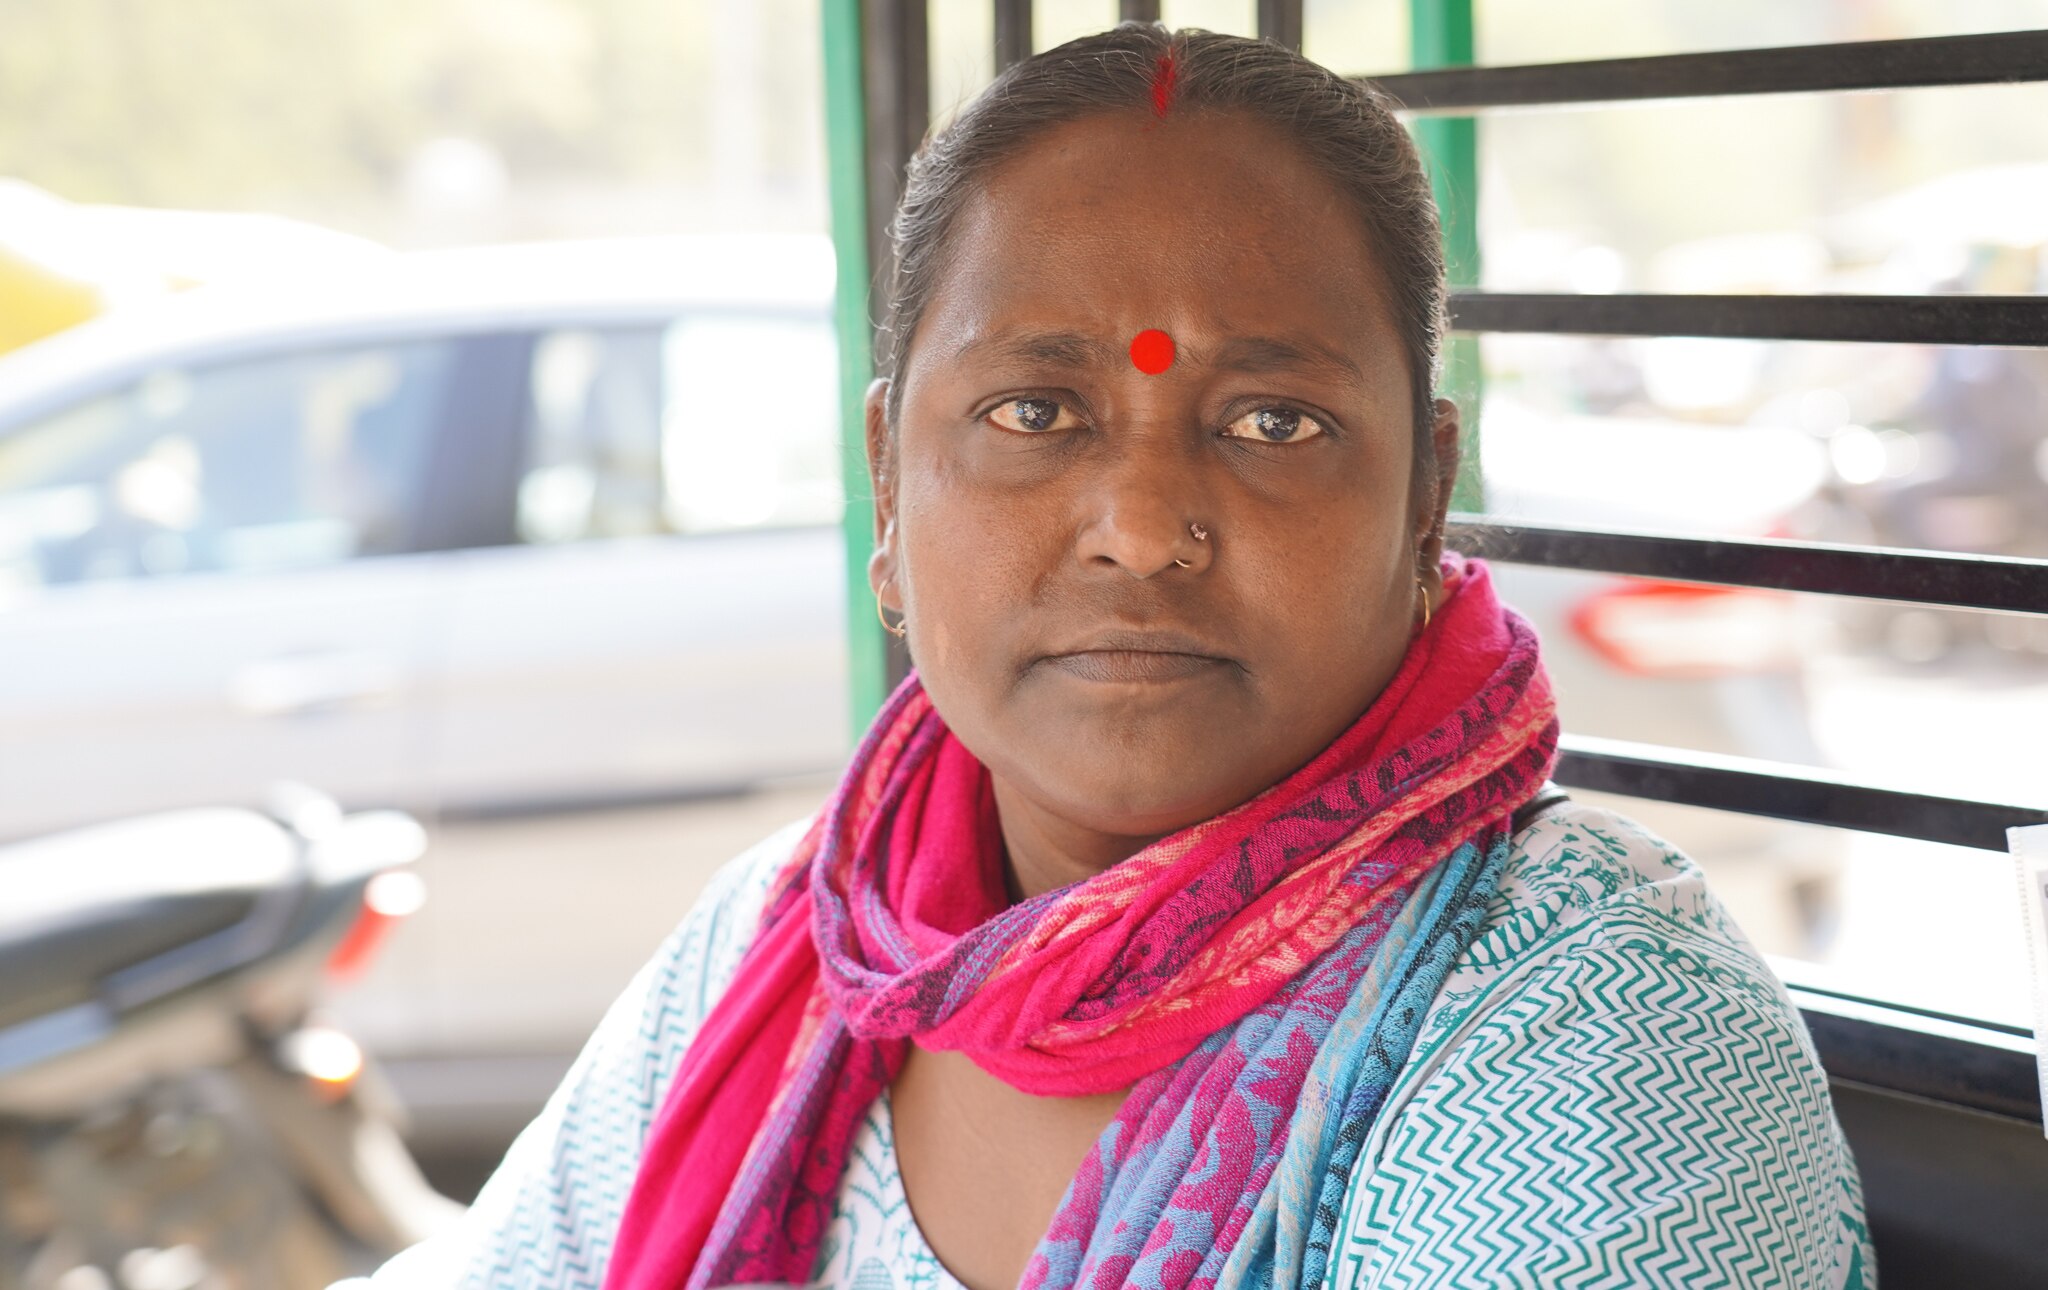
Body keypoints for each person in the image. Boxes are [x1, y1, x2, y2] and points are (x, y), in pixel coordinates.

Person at [339, 23, 1871, 1290]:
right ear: (888, 484)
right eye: (1032, 412)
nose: (1141, 527)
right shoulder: (797, 946)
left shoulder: (1588, 1024)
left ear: (1422, 501)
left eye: (1272, 421)